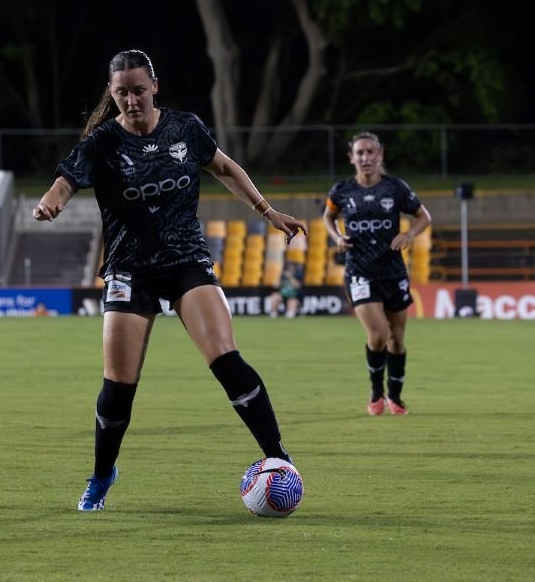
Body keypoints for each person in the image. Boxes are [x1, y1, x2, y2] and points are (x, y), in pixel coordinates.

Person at [33, 49, 307, 511]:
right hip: (128, 270)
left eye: (139, 90)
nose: (131, 100)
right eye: (121, 93)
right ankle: (102, 475)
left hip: (186, 262)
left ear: (154, 86)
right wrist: (51, 201)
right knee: (119, 384)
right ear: (112, 94)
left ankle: (278, 458)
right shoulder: (101, 143)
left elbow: (224, 167)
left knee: (226, 358)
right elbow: (65, 180)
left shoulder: (185, 128)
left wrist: (268, 210)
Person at [323, 131, 432, 416]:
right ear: (352, 158)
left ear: (380, 155)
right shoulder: (342, 191)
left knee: (396, 337)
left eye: (370, 152)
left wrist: (409, 234)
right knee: (379, 333)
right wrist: (336, 236)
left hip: (393, 271)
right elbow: (328, 216)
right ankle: (375, 393)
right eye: (360, 153)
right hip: (359, 272)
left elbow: (424, 217)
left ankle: (395, 397)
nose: (365, 157)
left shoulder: (395, 188)